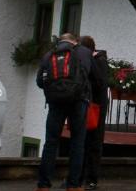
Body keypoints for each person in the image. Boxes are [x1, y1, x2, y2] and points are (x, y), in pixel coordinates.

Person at [36, 32, 98, 191]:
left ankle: (43, 185)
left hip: (56, 103)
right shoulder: (84, 52)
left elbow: (39, 81)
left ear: (60, 41)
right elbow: (95, 78)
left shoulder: (49, 54)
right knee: (77, 143)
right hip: (79, 102)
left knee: (51, 142)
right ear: (75, 41)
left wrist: (56, 90)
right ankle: (73, 185)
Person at [80, 35, 108, 190]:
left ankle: (91, 178)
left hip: (96, 106)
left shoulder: (100, 61)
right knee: (82, 142)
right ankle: (79, 176)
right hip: (87, 105)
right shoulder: (92, 60)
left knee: (94, 143)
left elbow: (100, 82)